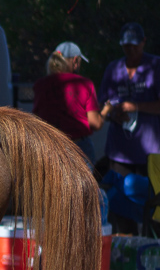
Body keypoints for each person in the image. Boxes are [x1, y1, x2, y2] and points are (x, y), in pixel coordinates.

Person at [99, 22, 160, 177]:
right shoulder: (113, 68)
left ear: (143, 42)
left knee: (148, 198)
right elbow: (102, 105)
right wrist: (113, 115)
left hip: (149, 152)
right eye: (126, 46)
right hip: (119, 152)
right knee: (120, 196)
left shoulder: (155, 65)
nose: (131, 49)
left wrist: (134, 106)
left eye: (135, 45)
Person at [32, 41, 104, 164]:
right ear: (75, 61)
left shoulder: (40, 85)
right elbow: (95, 123)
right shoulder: (85, 84)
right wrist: (107, 110)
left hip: (50, 147)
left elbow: (37, 119)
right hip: (78, 147)